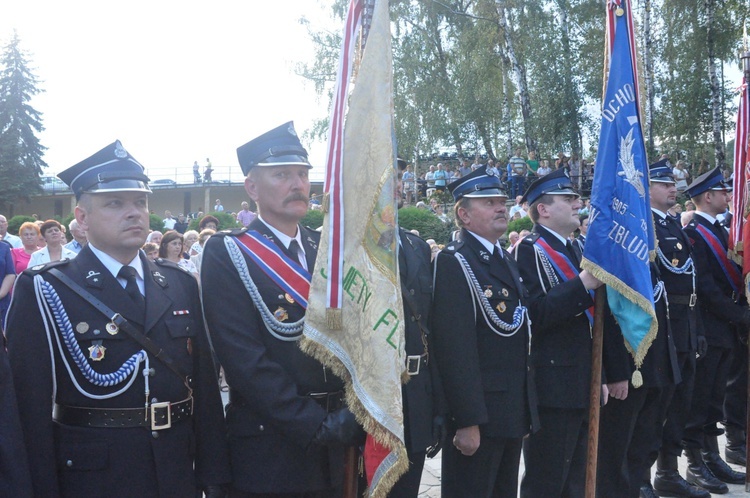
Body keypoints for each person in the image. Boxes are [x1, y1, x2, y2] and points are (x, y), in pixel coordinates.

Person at [5, 140, 230, 496]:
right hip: (94, 479)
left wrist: (214, 478)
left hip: (175, 474)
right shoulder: (46, 288)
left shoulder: (179, 283)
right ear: (81, 217)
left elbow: (204, 390)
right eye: (115, 203)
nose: (134, 213)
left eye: (140, 202)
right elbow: (28, 412)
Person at [201, 122, 362, 496]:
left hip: (341, 437)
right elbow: (243, 358)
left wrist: (356, 410)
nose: (298, 184)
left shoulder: (327, 249)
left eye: (303, 174)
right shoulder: (229, 252)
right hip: (272, 444)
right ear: (252, 188)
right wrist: (314, 424)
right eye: (283, 174)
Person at [431, 166, 590, 497]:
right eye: (488, 202)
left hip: (511, 410)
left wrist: (526, 408)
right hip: (481, 413)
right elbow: (454, 350)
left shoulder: (501, 258)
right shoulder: (455, 262)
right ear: (463, 214)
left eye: (501, 201)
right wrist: (466, 420)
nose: (501, 207)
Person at [513, 169, 603, 497]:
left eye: (576, 197)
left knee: (577, 479)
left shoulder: (576, 248)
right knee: (547, 479)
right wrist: (581, 285)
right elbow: (535, 314)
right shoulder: (529, 250)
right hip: (553, 384)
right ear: (543, 209)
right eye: (568, 198)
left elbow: (593, 324)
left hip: (583, 378)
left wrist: (601, 375)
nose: (578, 202)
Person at [681, 167, 747, 493]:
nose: (727, 197)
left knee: (715, 398)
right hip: (708, 327)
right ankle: (695, 463)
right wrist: (739, 315)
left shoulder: (720, 230)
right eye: (722, 192)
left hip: (725, 327)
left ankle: (712, 456)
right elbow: (705, 285)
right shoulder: (694, 233)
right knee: (700, 399)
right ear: (708, 196)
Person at [646, 160, 710, 498]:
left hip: (685, 326)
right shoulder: (645, 227)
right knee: (656, 405)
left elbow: (691, 280)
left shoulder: (672, 225)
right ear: (646, 188)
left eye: (673, 183)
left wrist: (696, 326)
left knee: (680, 404)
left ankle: (668, 471)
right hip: (663, 330)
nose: (672, 188)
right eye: (663, 183)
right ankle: (642, 474)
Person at [387, 168, 445, 497]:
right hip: (373, 402)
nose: (396, 185)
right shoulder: (344, 246)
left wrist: (437, 405)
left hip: (417, 395)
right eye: (386, 176)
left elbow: (431, 330)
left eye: (398, 177)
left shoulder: (417, 245)